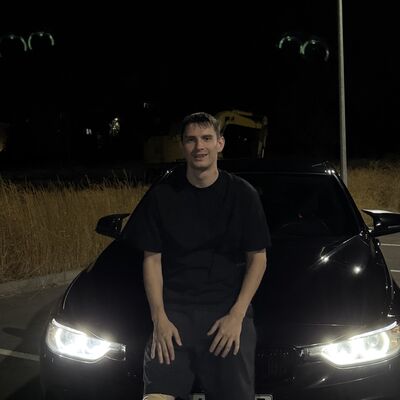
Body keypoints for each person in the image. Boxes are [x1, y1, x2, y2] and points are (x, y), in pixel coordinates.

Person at [123, 112, 271, 400]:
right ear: (182, 146)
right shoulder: (161, 195)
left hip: (225, 313)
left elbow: (258, 258)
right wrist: (159, 318)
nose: (199, 146)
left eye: (206, 138)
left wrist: (237, 315)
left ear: (220, 143)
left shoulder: (243, 195)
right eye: (191, 140)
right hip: (174, 316)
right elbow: (151, 260)